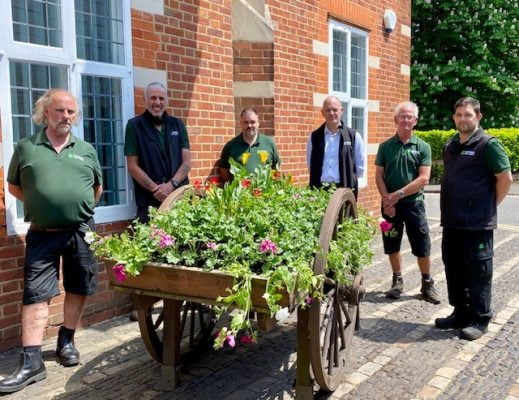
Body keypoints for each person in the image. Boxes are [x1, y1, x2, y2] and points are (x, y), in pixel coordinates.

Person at [0, 89, 103, 393]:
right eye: (59, 111)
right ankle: (31, 362)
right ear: (45, 113)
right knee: (35, 294)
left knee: (79, 285)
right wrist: (46, 204)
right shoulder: (26, 148)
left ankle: (67, 340)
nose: (66, 117)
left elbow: (96, 188)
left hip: (80, 231)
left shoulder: (86, 149)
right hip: (42, 234)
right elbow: (15, 187)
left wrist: (76, 208)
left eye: (71, 112)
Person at [435, 97, 512, 340]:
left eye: (467, 115)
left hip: (477, 223)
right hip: (453, 221)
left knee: (478, 269)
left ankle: (480, 318)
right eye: (458, 115)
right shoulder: (451, 146)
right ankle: (461, 312)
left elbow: (505, 178)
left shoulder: (489, 145)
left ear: (478, 116)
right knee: (454, 267)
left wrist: (488, 206)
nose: (462, 119)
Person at [375, 101, 440, 304]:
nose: (405, 120)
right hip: (390, 206)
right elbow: (379, 176)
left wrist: (398, 195)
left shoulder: (423, 147)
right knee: (392, 244)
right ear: (396, 120)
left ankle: (427, 283)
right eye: (402, 116)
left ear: (415, 121)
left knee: (422, 245)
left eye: (409, 117)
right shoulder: (385, 147)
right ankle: (397, 281)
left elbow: (424, 178)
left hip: (414, 204)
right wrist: (387, 199)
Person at [124, 82, 191, 224]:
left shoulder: (177, 125)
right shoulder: (134, 126)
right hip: (149, 201)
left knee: (185, 243)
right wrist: (156, 189)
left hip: (178, 197)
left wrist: (171, 185)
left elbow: (186, 163)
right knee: (152, 243)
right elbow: (132, 166)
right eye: (153, 98)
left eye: (161, 98)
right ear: (146, 100)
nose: (157, 102)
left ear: (166, 100)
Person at [306, 96, 365, 199]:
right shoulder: (314, 137)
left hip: (344, 189)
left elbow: (359, 168)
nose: (331, 113)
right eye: (328, 110)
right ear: (322, 113)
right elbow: (310, 165)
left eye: (335, 110)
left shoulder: (353, 136)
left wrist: (348, 178)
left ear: (341, 110)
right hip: (319, 190)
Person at [219, 108, 280, 182]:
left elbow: (275, 168)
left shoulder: (269, 143)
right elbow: (224, 171)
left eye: (252, 122)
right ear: (240, 123)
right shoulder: (231, 146)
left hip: (265, 192)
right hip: (240, 193)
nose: (249, 125)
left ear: (258, 123)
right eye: (246, 122)